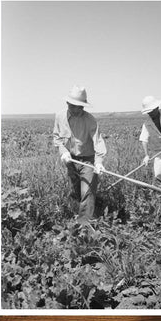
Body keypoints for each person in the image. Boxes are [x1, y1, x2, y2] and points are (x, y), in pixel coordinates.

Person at [53, 85, 106, 223]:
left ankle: (84, 226)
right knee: (77, 190)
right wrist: (63, 152)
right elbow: (57, 138)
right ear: (68, 103)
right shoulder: (59, 117)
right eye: (74, 106)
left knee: (87, 192)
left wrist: (99, 162)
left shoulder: (90, 120)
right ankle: (83, 213)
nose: (77, 109)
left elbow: (98, 141)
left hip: (87, 161)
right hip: (71, 160)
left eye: (80, 106)